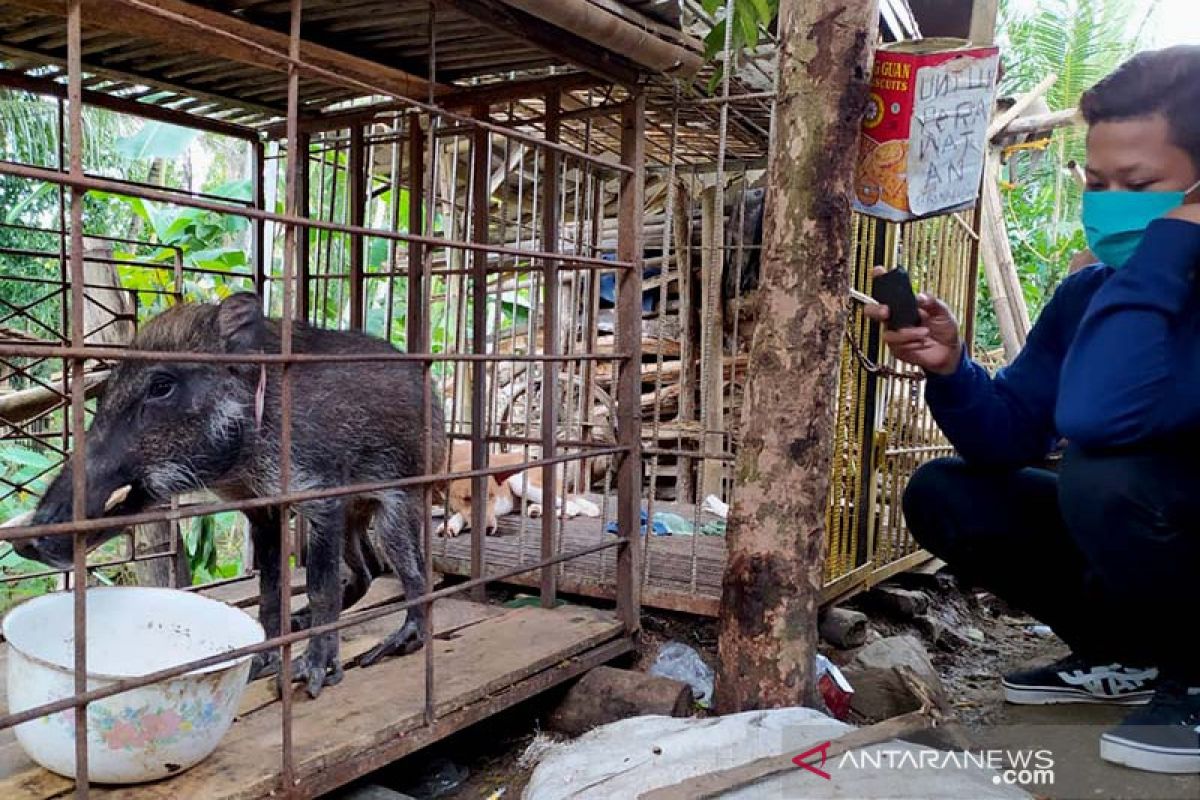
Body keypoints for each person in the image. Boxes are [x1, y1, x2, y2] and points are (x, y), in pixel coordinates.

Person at [864, 45, 1200, 775]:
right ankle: (1128, 656)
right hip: (1151, 525)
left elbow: (1100, 418)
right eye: (1098, 181)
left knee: (1106, 476)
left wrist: (1171, 247)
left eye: (1137, 184)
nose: (1108, 202)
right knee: (947, 492)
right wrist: (951, 369)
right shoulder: (1090, 294)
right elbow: (1008, 436)